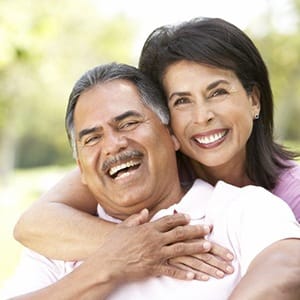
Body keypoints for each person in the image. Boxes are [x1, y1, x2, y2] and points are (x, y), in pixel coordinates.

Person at [13, 17, 300, 281]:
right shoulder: (146, 166)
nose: (203, 116)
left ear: (254, 100)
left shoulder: (289, 195)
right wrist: (150, 246)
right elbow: (34, 223)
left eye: (218, 92)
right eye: (182, 101)